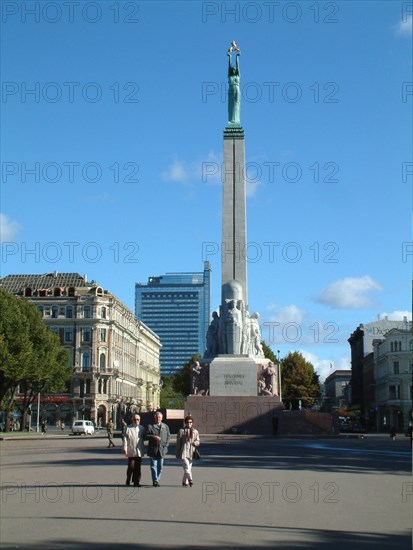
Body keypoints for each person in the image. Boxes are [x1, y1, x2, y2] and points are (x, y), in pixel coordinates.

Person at [145, 411, 170, 487]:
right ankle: (155, 480)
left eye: (159, 417)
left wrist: (166, 446)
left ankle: (157, 479)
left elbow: (168, 437)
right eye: (156, 417)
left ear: (161, 418)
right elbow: (145, 436)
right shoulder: (150, 426)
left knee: (160, 467)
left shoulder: (165, 427)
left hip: (162, 450)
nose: (158, 418)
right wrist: (153, 437)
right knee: (153, 466)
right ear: (154, 418)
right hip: (153, 450)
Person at [175, 415, 200, 487]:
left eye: (190, 422)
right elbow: (178, 443)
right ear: (185, 423)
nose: (189, 424)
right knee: (186, 467)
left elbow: (198, 440)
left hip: (191, 452)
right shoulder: (181, 431)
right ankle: (190, 479)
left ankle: (184, 482)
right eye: (187, 422)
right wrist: (177, 453)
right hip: (183, 452)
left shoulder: (195, 431)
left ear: (192, 423)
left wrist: (196, 443)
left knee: (188, 467)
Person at [123, 414, 145, 487]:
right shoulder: (128, 428)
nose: (136, 421)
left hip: (139, 450)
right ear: (133, 420)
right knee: (131, 466)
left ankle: (136, 481)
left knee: (138, 467)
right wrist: (125, 448)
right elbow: (125, 439)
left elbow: (145, 437)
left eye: (138, 419)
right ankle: (128, 478)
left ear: (140, 420)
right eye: (135, 419)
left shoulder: (142, 428)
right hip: (131, 450)